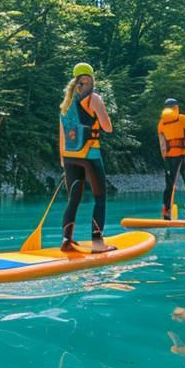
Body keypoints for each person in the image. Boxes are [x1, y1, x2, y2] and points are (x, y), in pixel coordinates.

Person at [59, 63, 115, 253]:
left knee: (73, 200)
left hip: (69, 157)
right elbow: (108, 127)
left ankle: (66, 241)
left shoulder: (66, 102)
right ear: (91, 78)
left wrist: (62, 160)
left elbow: (62, 135)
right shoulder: (94, 98)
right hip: (89, 156)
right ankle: (98, 243)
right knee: (100, 198)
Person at [157, 98, 185, 220]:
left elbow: (162, 145)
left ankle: (166, 213)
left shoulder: (161, 123)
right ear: (176, 107)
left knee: (169, 186)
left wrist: (165, 159)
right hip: (183, 157)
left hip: (169, 158)